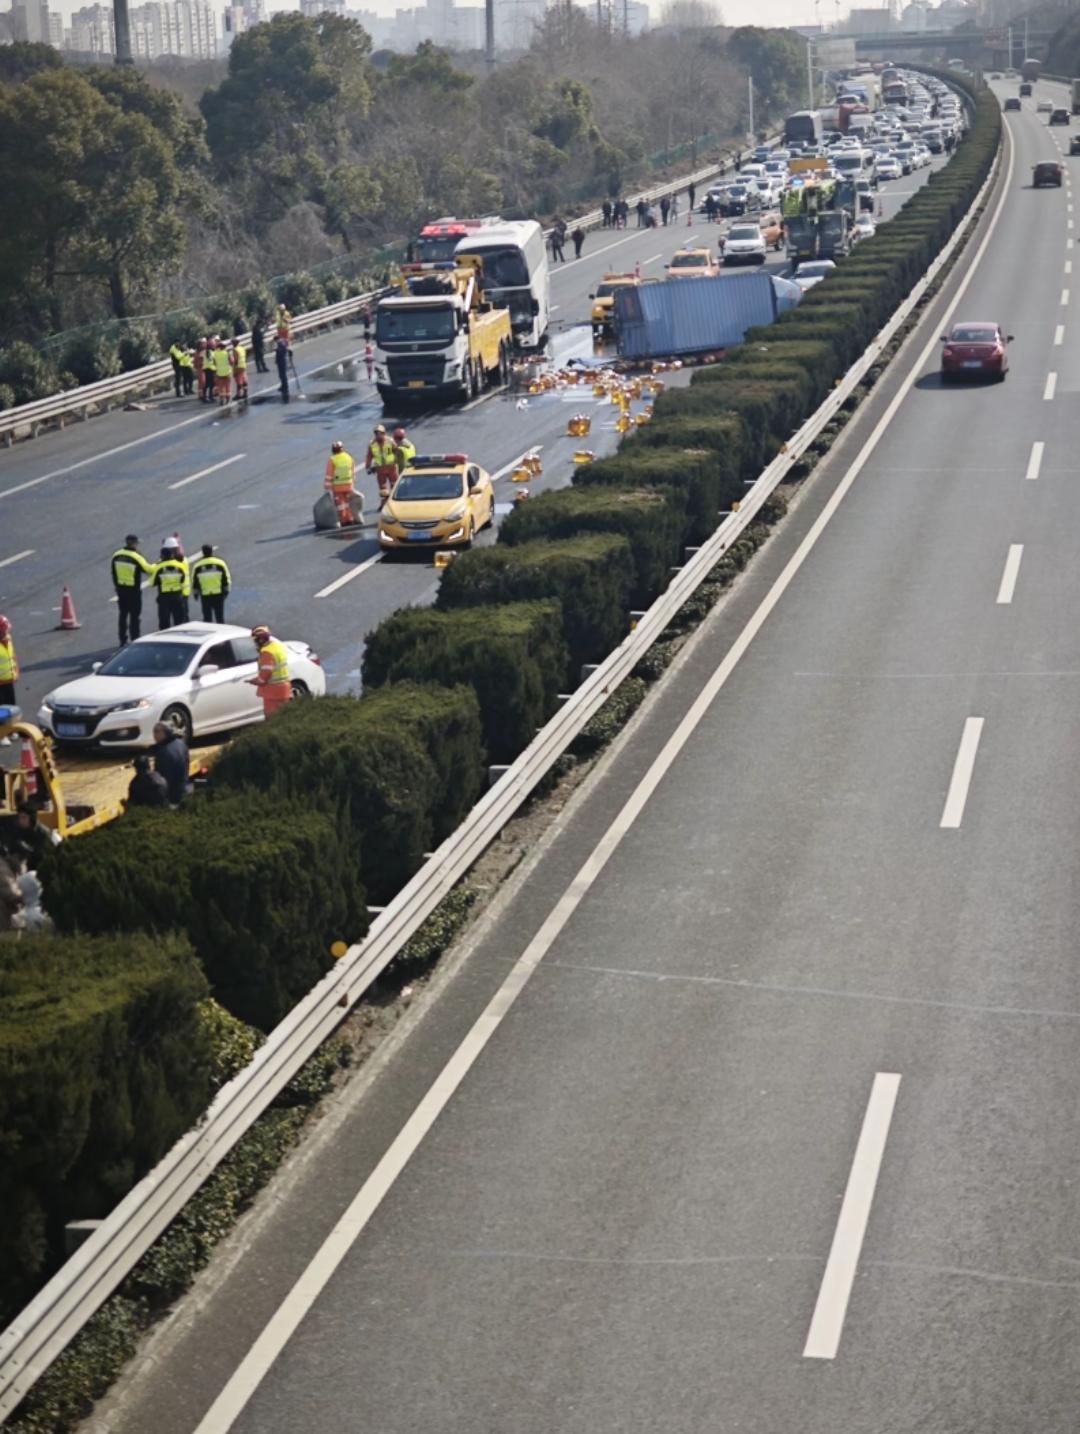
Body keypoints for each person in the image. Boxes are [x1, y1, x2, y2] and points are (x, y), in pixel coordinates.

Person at [111, 534, 154, 646]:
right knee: (134, 616)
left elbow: (113, 572)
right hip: (133, 591)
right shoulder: (136, 557)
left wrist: (116, 585)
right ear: (134, 544)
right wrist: (158, 564)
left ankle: (122, 639)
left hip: (121, 589)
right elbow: (149, 570)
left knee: (123, 615)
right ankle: (135, 638)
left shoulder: (116, 555)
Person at [249, 626, 292, 718]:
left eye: (255, 640)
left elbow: (264, 676)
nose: (255, 643)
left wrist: (254, 681)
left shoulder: (267, 653)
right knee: (284, 717)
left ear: (260, 640)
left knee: (272, 718)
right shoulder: (277, 646)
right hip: (284, 688)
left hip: (272, 692)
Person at [190, 544, 231, 623]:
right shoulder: (220, 563)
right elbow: (226, 578)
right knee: (220, 617)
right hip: (218, 594)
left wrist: (196, 594)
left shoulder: (197, 566)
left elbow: (195, 581)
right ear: (212, 551)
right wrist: (226, 590)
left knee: (207, 619)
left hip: (205, 595)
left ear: (202, 553)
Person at [152, 544, 189, 630]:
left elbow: (153, 582)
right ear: (172, 555)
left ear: (162, 556)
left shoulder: (159, 567)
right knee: (179, 622)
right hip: (177, 596)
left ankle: (165, 640)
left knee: (164, 622)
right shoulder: (180, 565)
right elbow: (183, 580)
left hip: (164, 597)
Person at [152, 721, 189, 806]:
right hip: (183, 788)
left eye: (157, 731)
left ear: (166, 732)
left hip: (173, 797)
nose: (154, 735)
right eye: (154, 731)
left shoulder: (164, 752)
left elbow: (164, 778)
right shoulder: (181, 743)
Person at [324, 440, 359, 526]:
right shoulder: (348, 457)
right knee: (348, 501)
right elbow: (353, 470)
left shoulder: (332, 459)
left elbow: (329, 474)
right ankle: (350, 518)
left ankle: (344, 520)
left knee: (341, 504)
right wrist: (353, 481)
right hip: (349, 484)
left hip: (338, 486)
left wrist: (327, 487)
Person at [366, 423, 399, 507]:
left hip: (391, 467)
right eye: (376, 434)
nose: (378, 435)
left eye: (380, 433)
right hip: (380, 469)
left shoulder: (390, 441)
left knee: (394, 485)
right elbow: (369, 456)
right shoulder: (372, 444)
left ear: (384, 433)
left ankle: (396, 501)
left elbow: (397, 452)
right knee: (382, 488)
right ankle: (384, 503)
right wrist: (368, 467)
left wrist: (398, 461)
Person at [0, 615, 17, 708]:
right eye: (4, 630)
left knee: (11, 710)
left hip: (8, 681)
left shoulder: (8, 639)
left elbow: (11, 656)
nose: (7, 632)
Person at [211, 340, 232, 405]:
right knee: (227, 386)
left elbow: (214, 362)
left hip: (219, 373)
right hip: (227, 372)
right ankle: (228, 400)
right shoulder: (227, 353)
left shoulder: (215, 353)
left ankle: (221, 400)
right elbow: (232, 361)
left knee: (221, 387)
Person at [275, 337, 291, 401]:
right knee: (281, 374)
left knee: (282, 374)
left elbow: (281, 351)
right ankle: (283, 385)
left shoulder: (280, 344)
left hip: (281, 361)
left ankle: (285, 386)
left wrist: (277, 350)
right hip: (281, 360)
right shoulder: (282, 343)